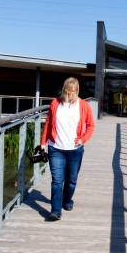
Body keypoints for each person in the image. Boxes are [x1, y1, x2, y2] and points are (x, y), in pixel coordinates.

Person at [40, 77, 95, 220]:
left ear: (77, 91)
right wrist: (43, 142)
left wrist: (83, 139)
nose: (71, 95)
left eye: (74, 92)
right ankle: (55, 210)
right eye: (68, 92)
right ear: (64, 90)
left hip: (75, 150)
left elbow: (91, 125)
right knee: (57, 181)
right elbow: (48, 123)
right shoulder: (55, 103)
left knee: (71, 180)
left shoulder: (84, 105)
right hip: (56, 148)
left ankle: (67, 200)